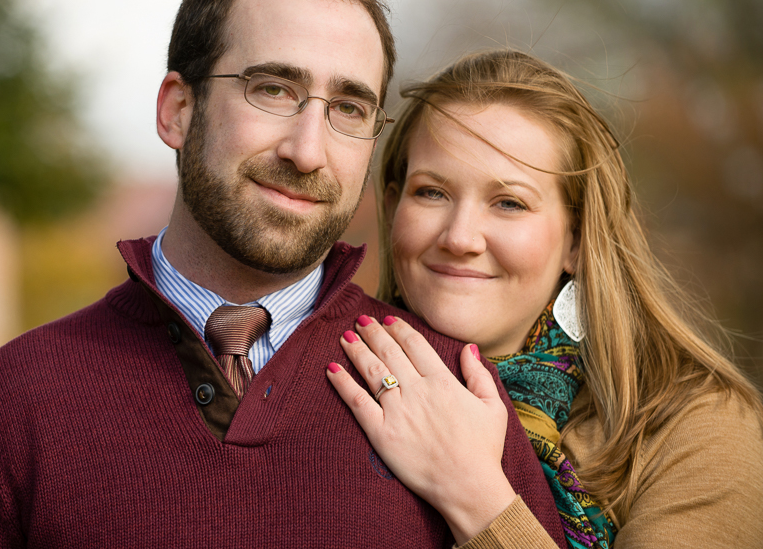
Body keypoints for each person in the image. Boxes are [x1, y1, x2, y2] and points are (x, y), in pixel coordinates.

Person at [0, 0, 566, 548]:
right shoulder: (13, 399)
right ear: (177, 109)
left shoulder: (454, 393)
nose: (307, 150)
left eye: (348, 106)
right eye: (273, 89)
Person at [327, 49, 763, 548]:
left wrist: (473, 492)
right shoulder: (325, 375)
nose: (460, 237)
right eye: (431, 192)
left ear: (576, 240)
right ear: (392, 205)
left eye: (509, 202)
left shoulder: (693, 426)